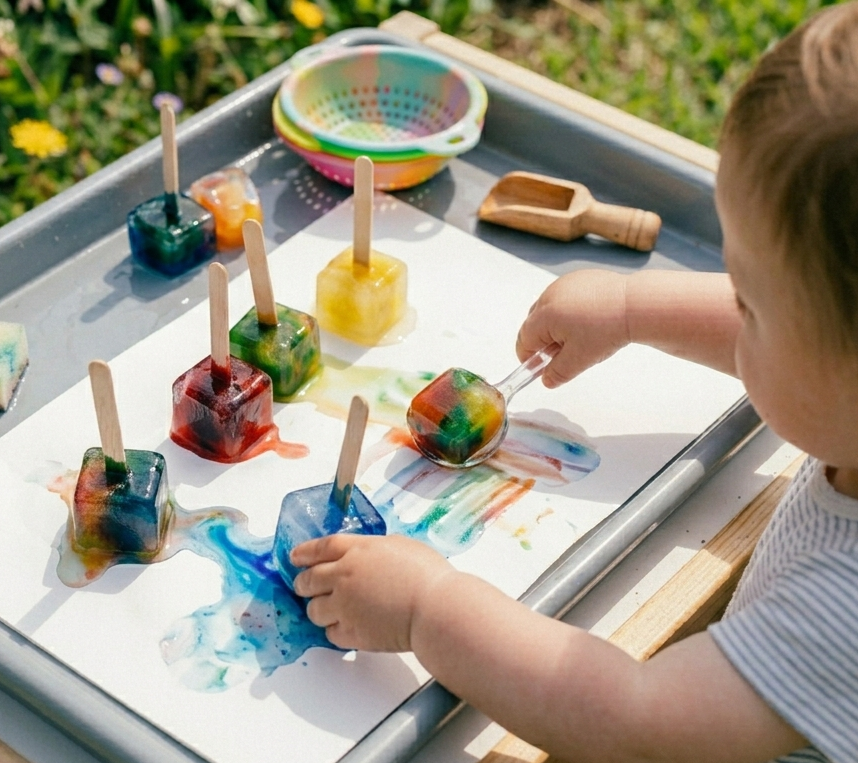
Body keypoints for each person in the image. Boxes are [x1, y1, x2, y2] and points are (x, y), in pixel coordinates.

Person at [290, 4, 858, 762]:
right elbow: (803, 342)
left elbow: (636, 721)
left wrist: (430, 607)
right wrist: (632, 306)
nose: (729, 306)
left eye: (746, 303)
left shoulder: (840, 607)